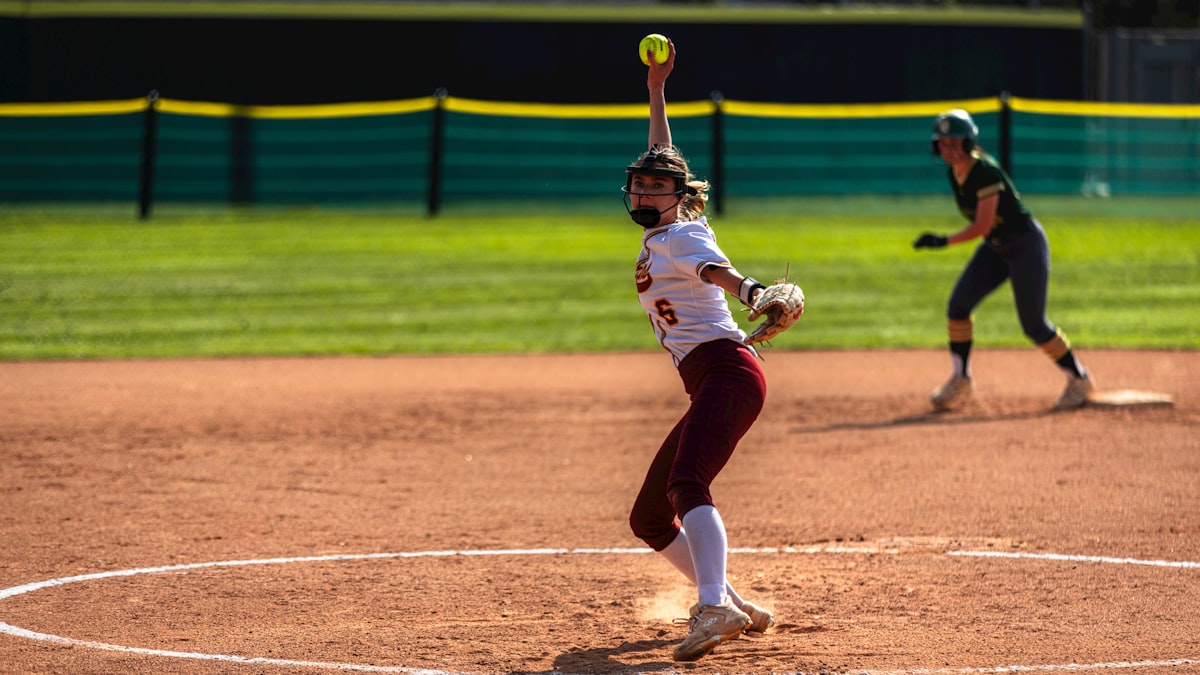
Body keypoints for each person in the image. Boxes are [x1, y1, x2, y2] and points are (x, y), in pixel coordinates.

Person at [623, 37, 776, 663]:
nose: (639, 195)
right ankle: (731, 601)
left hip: (728, 372)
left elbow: (716, 270)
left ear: (676, 195)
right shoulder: (671, 225)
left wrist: (751, 290)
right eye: (635, 186)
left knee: (688, 483)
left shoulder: (682, 234)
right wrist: (657, 89)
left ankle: (712, 608)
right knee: (650, 518)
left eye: (651, 188)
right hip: (715, 378)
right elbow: (666, 155)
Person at [913, 108, 1094, 411]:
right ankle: (961, 379)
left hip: (1025, 245)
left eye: (955, 142)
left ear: (969, 142)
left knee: (1034, 325)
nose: (949, 149)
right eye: (943, 144)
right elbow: (988, 232)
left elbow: (982, 225)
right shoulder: (955, 172)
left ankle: (1079, 379)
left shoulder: (983, 172)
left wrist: (941, 240)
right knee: (958, 307)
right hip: (995, 248)